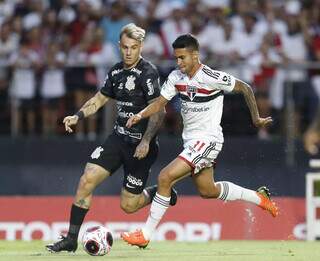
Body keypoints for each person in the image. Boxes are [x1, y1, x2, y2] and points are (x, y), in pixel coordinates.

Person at [121, 34, 279, 248]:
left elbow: (245, 88)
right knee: (208, 191)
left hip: (208, 141)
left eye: (182, 57)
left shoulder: (210, 76)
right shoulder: (176, 77)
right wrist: (140, 115)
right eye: (176, 58)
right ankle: (260, 198)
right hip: (191, 142)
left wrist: (256, 118)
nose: (178, 62)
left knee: (165, 177)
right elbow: (160, 102)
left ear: (195, 55)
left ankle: (146, 234)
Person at [46, 23, 177, 253]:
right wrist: (78, 116)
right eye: (125, 47)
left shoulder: (148, 73)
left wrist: (146, 141)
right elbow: (99, 99)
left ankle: (160, 192)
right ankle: (70, 239)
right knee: (87, 179)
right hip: (118, 139)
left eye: (134, 48)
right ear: (119, 46)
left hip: (141, 145)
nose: (129, 52)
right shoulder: (116, 72)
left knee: (129, 206)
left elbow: (159, 111)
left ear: (140, 47)